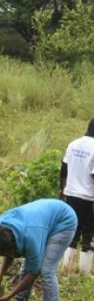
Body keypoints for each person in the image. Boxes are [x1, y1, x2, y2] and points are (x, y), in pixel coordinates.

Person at [0, 198, 77, 301]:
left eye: (11, 252)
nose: (11, 255)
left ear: (13, 243)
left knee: (46, 271)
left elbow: (34, 272)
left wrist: (9, 295)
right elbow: (9, 252)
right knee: (28, 263)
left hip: (63, 222)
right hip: (41, 219)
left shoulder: (31, 237)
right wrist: (0, 274)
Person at [59, 118, 94, 275]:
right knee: (89, 235)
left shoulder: (73, 144)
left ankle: (65, 268)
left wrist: (62, 191)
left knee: (72, 231)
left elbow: (63, 170)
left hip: (70, 194)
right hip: (89, 198)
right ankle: (84, 273)